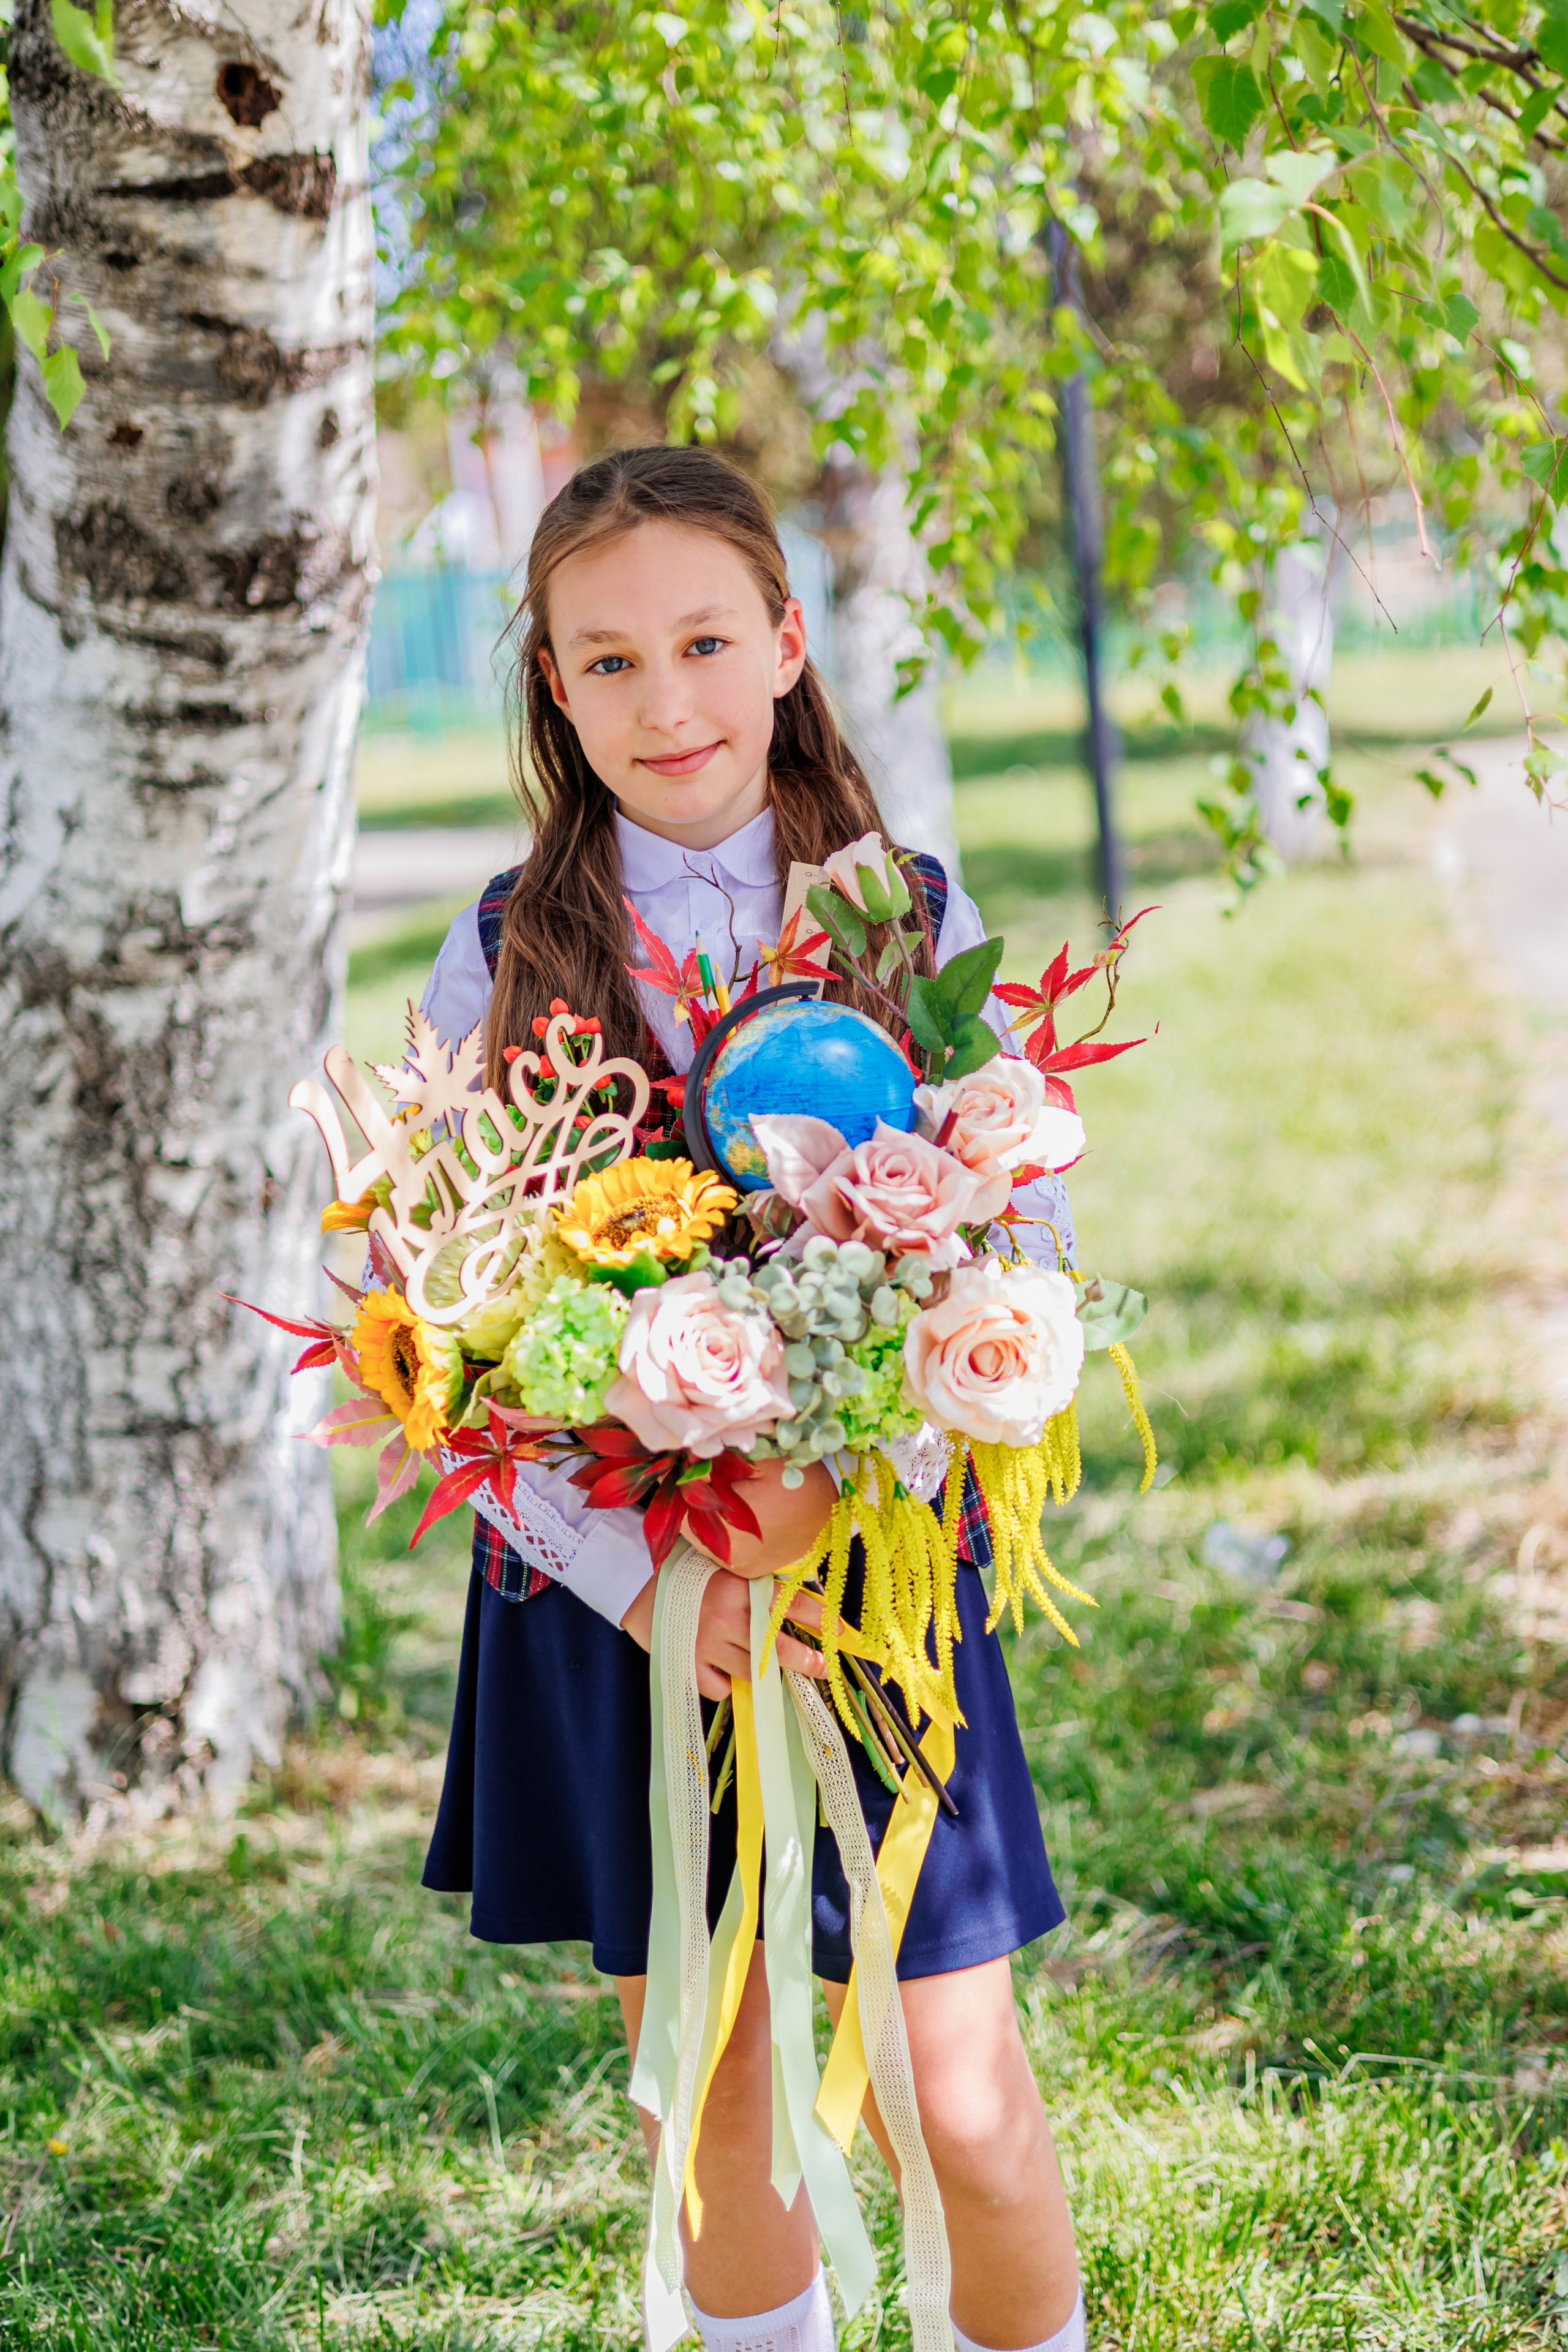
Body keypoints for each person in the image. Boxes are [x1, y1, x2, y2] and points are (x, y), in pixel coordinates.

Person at [418, 445, 1086, 2352]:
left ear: (788, 644)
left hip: (872, 1580)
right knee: (717, 2103)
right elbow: (442, 1336)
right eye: (607, 661)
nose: (668, 700)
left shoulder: (907, 924)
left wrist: (831, 1487)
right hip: (623, 1606)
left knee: (961, 2092)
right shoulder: (504, 952)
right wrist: (653, 1581)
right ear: (554, 684)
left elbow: (1013, 1239)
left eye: (707, 641)